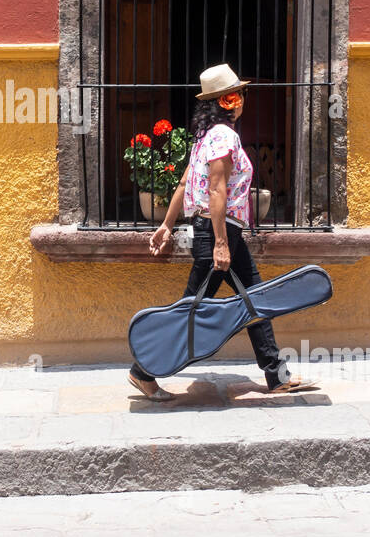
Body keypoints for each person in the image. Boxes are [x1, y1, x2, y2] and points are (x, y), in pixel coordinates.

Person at [128, 63, 316, 401]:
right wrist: (219, 243)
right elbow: (217, 191)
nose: (243, 99)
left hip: (219, 230)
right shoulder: (225, 137)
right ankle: (143, 370)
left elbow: (185, 184)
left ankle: (275, 374)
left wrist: (167, 225)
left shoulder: (204, 138)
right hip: (219, 231)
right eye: (239, 94)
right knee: (192, 308)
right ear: (230, 101)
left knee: (255, 299)